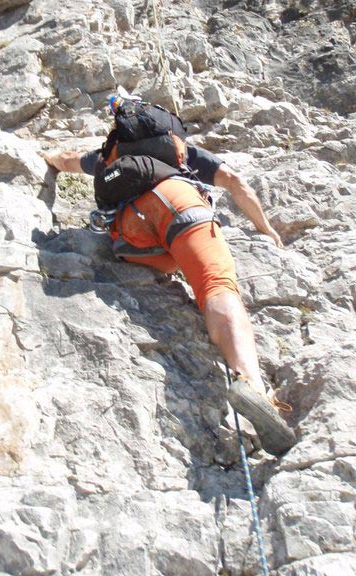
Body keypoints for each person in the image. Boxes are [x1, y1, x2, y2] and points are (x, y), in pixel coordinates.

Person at [43, 102, 296, 456]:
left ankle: (176, 258)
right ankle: (252, 384)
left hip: (133, 235)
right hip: (180, 205)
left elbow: (66, 161)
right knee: (215, 285)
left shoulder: (110, 157)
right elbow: (236, 183)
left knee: (170, 256)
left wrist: (47, 156)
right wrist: (267, 230)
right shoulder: (183, 153)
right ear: (168, 131)